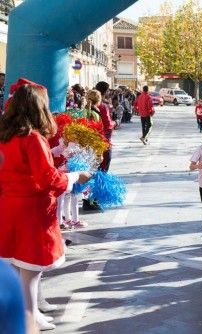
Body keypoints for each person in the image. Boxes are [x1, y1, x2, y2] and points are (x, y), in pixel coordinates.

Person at [0, 82, 91, 330]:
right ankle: (28, 321)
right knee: (31, 270)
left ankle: (30, 316)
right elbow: (47, 179)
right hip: (33, 211)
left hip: (9, 208)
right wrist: (74, 178)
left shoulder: (5, 137)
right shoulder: (33, 139)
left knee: (18, 267)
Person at [95, 81, 115, 171]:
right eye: (108, 91)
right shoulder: (103, 106)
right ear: (105, 91)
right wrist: (116, 122)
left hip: (92, 139)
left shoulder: (90, 105)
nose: (109, 93)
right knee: (104, 167)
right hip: (104, 139)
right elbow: (108, 124)